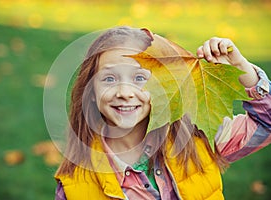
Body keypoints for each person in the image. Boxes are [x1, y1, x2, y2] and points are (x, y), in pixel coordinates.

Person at [54, 26, 271, 199]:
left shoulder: (198, 137)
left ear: (163, 85)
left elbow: (266, 123)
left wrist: (240, 67)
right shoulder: (75, 186)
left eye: (139, 78)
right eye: (109, 79)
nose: (125, 92)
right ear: (90, 91)